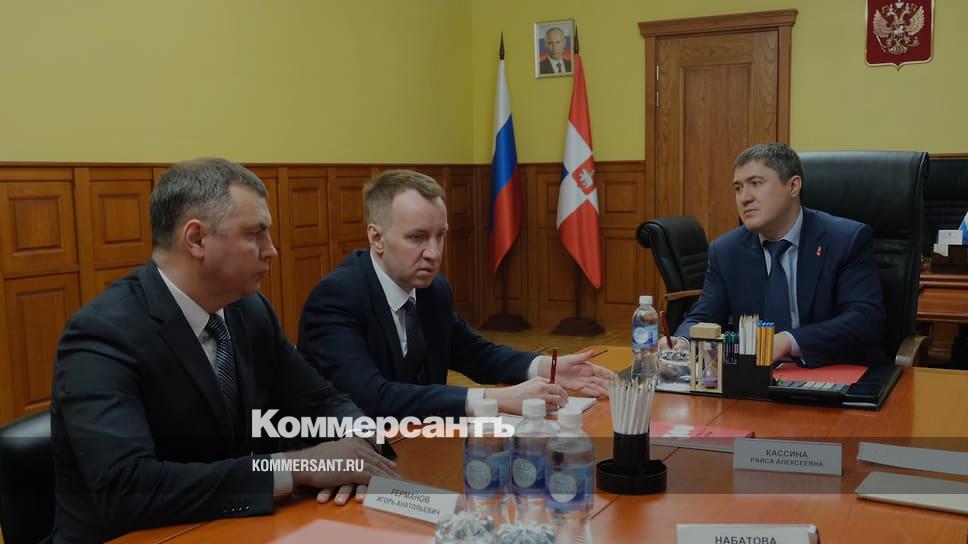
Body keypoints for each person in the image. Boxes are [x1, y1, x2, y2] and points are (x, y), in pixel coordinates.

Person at [51, 158, 397, 543]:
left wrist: (359, 446)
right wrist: (297, 467)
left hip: (236, 528)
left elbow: (322, 401)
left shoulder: (249, 310)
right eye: (256, 234)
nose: (272, 250)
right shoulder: (103, 334)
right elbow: (127, 488)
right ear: (196, 239)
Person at [298, 169, 612, 418]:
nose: (434, 253)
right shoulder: (337, 298)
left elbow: (475, 354)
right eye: (417, 238)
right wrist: (495, 399)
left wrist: (547, 368)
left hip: (421, 442)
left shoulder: (433, 289)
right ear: (376, 238)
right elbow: (372, 397)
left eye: (440, 236)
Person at [666, 143, 887, 367]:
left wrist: (789, 341)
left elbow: (864, 319)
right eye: (738, 188)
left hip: (833, 368)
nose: (744, 198)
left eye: (755, 183)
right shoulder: (726, 250)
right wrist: (682, 342)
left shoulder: (845, 239)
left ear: (793, 186)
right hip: (756, 375)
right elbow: (704, 317)